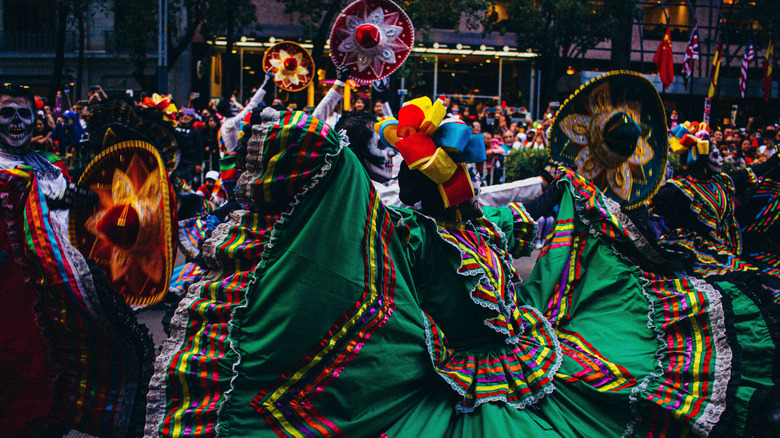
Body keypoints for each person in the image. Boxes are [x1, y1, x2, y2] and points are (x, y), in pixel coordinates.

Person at [0, 83, 153, 437]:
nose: (16, 122)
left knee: (55, 372)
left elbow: (81, 208)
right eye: (7, 113)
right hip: (12, 291)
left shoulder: (48, 166)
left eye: (25, 114)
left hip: (55, 291)